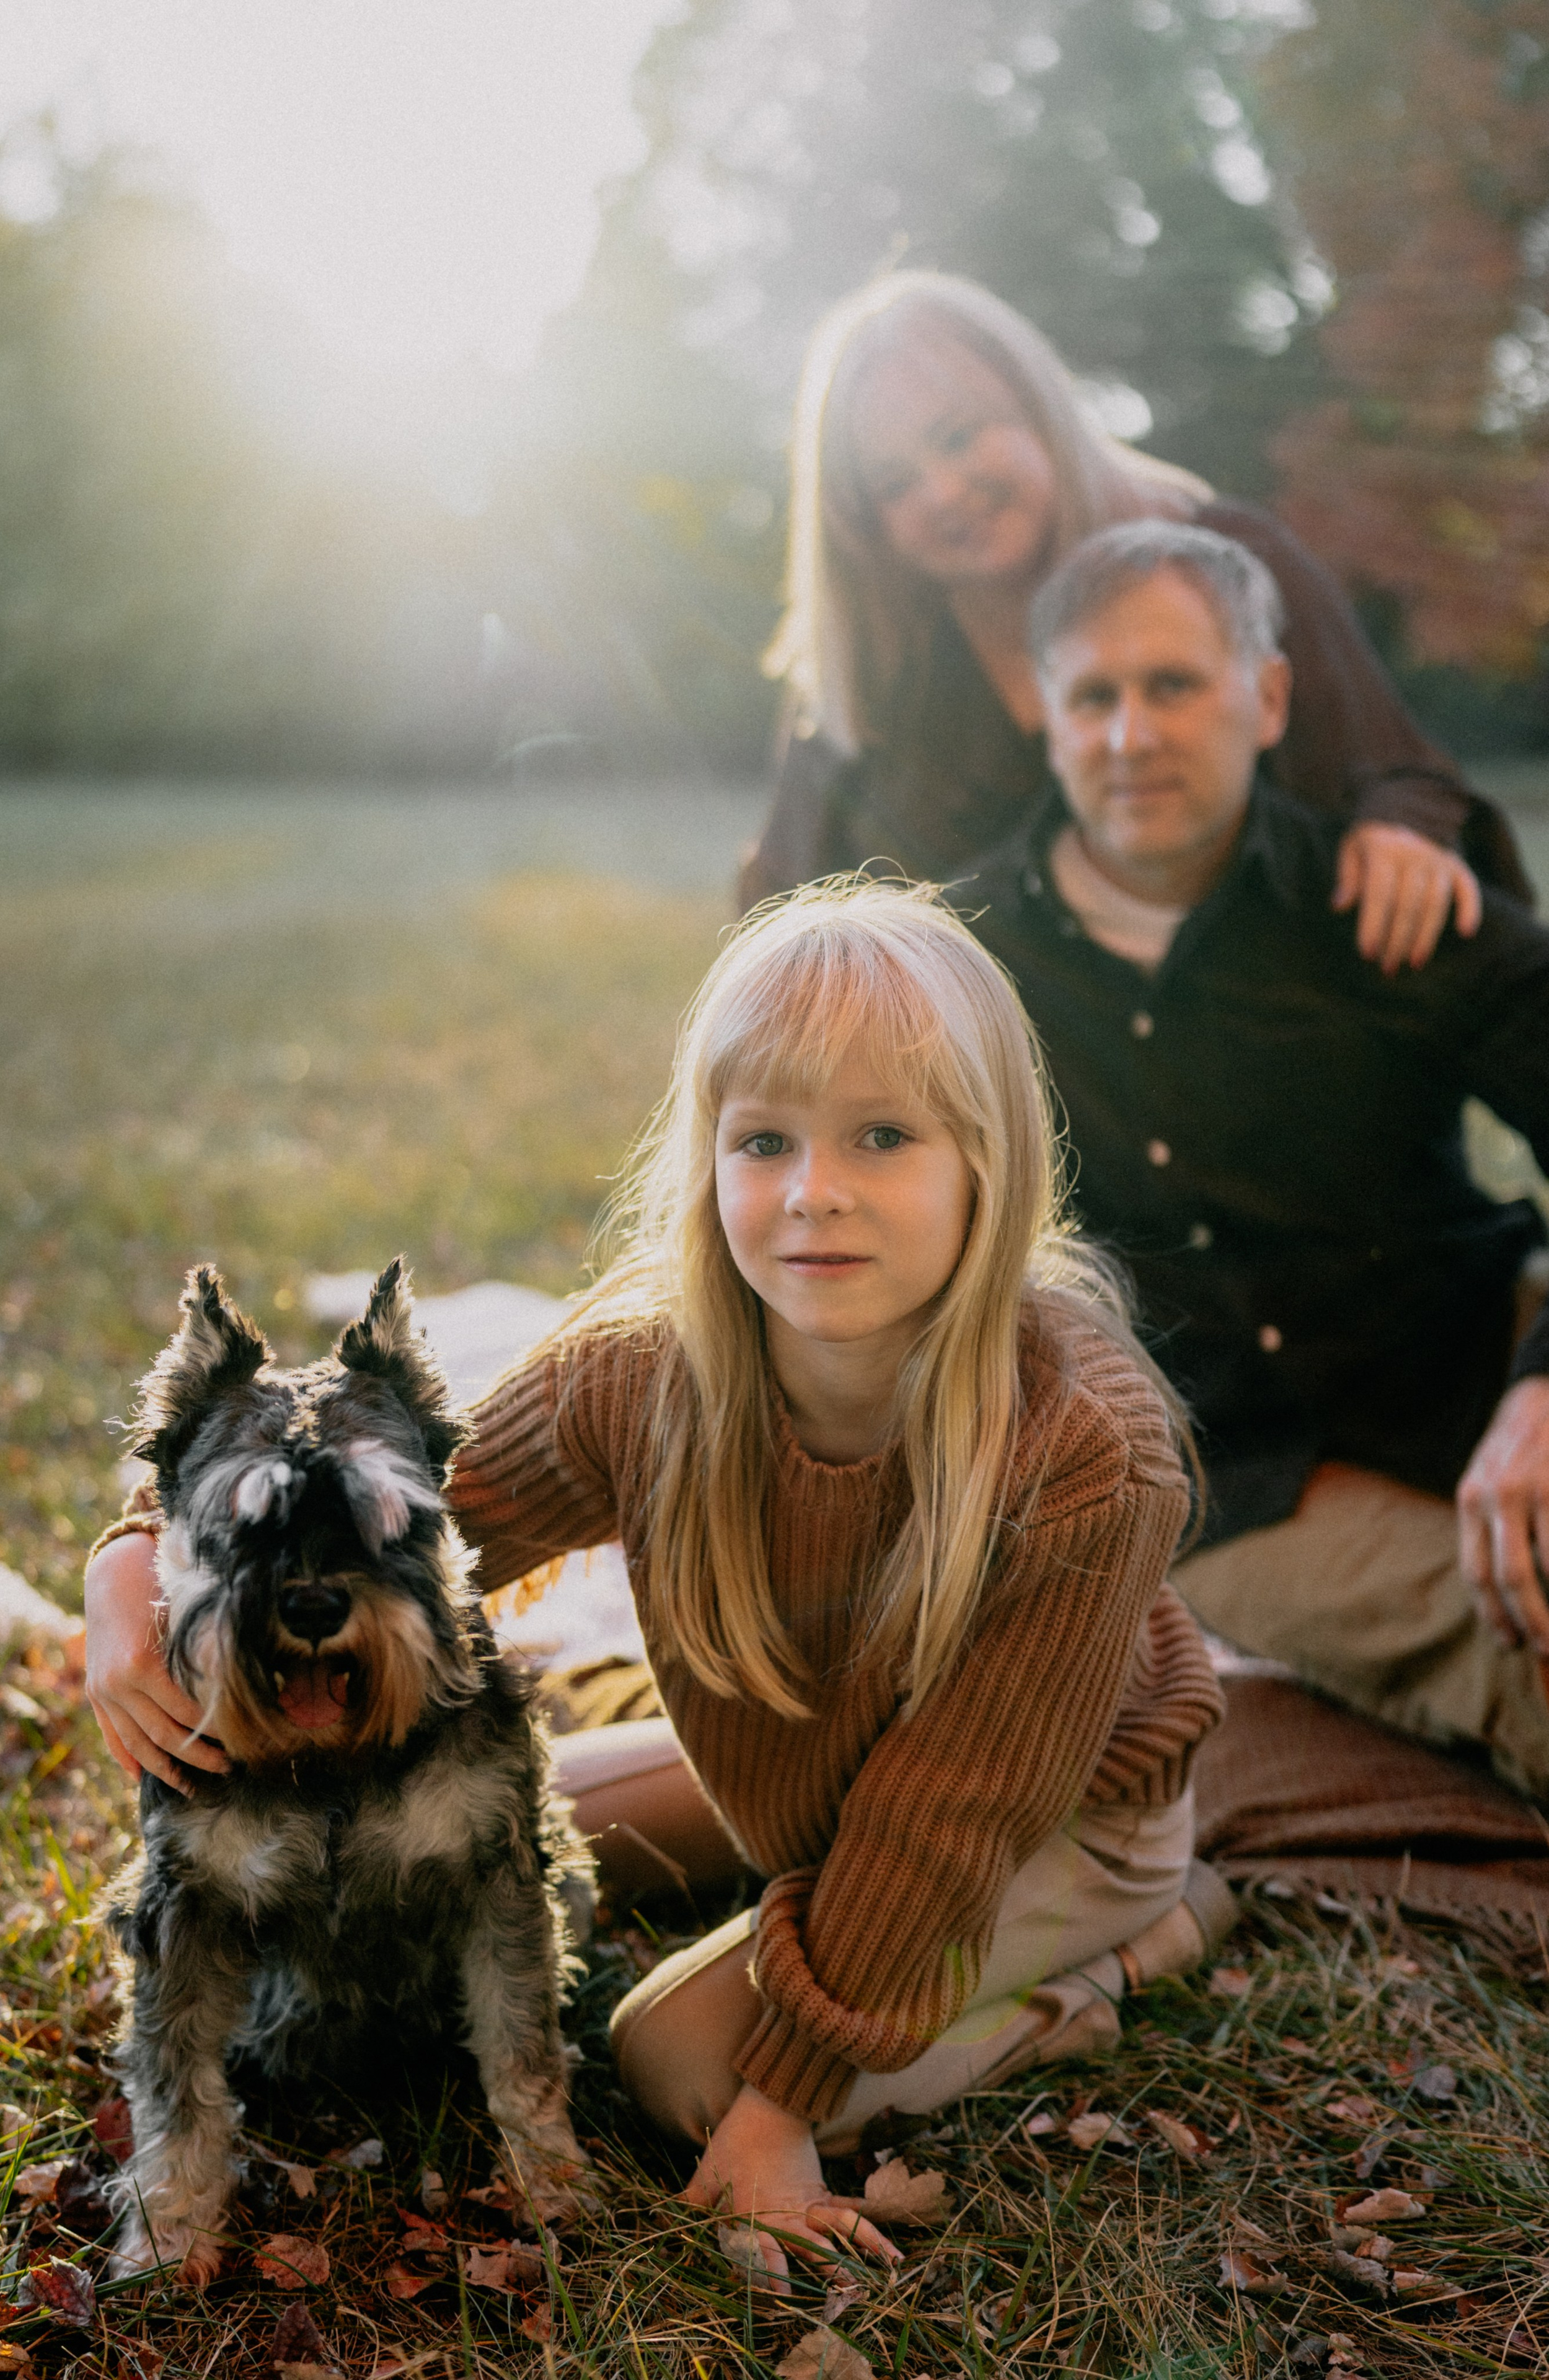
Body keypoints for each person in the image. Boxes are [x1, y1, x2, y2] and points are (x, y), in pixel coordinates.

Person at [84, 881, 1230, 2288]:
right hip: (804, 1777)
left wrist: (778, 2111)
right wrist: (126, 1567)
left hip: (1056, 1819)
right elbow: (394, 1507)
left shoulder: (1086, 1447)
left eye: (883, 1135)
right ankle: (811, 1907)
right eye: (766, 1139)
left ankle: (1137, 1947)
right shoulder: (642, 1371)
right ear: (708, 1157)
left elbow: (947, 1820)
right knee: (514, 1819)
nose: (813, 1189)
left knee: (674, 2057)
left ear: (988, 1163)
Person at [961, 518, 1549, 1799]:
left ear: (1269, 698)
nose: (1130, 736)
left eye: (1174, 684)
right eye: (1093, 698)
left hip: (1468, 1354)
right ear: (1045, 718)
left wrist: (1543, 1387)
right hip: (1234, 1473)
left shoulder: (1378, 902)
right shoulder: (963, 965)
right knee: (1530, 1645)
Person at [742, 269, 1533, 961]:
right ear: (863, 524)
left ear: (1037, 408)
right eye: (894, 483)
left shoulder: (1224, 560)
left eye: (958, 437)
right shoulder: (873, 665)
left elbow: (1390, 772)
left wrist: (1399, 834)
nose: (943, 492)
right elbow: (779, 910)